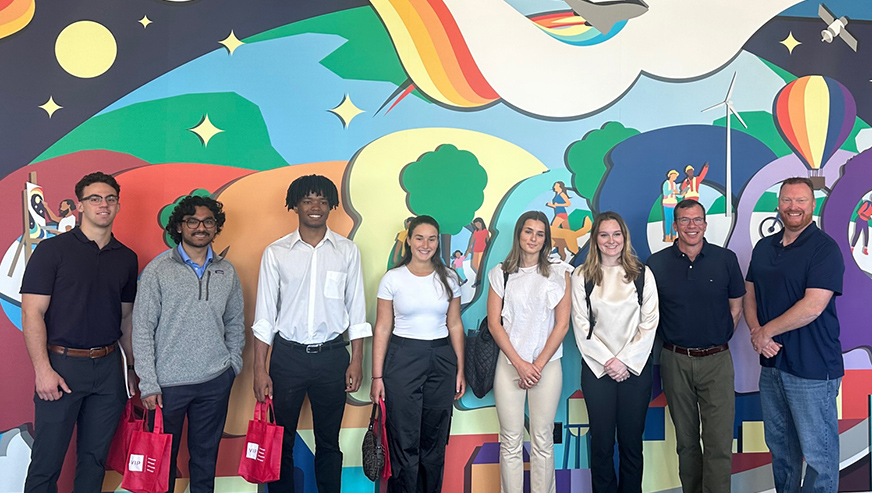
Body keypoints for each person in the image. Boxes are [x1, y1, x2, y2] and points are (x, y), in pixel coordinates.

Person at [252, 175, 371, 493]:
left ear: (332, 205)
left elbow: (357, 311)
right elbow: (264, 317)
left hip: (333, 359)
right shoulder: (276, 253)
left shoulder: (347, 251)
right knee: (282, 442)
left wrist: (356, 360)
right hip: (287, 358)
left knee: (329, 443)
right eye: (307, 200)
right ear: (295, 206)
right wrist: (260, 369)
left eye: (321, 200)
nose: (315, 207)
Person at [21, 172, 138, 493]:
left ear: (117, 205)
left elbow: (126, 319)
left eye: (110, 199)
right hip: (61, 367)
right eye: (95, 199)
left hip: (108, 371)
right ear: (80, 206)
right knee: (46, 462)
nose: (104, 204)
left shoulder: (127, 258)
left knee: (94, 460)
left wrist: (129, 368)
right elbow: (32, 313)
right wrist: (43, 370)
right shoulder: (52, 251)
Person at [132, 195, 244, 492]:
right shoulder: (158, 270)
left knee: (205, 461)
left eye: (208, 221)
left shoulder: (227, 271)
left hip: (214, 381)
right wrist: (149, 383)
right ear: (179, 227)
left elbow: (234, 323)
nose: (200, 227)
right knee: (162, 464)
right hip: (167, 386)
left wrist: (232, 366)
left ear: (216, 227)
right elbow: (142, 328)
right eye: (192, 221)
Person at [745, 177, 844, 493]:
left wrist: (764, 333)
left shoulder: (824, 249)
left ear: (812, 205)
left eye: (801, 200)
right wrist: (757, 333)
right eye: (787, 200)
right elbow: (749, 293)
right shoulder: (764, 246)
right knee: (781, 451)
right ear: (778, 205)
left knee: (818, 456)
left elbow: (813, 306)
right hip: (772, 367)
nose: (793, 207)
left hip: (812, 369)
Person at [647, 200, 745, 493]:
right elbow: (649, 314)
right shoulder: (656, 264)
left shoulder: (726, 259)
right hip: (674, 359)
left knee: (718, 443)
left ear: (705, 223)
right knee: (686, 443)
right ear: (674, 225)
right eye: (685, 220)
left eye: (698, 219)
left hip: (717, 361)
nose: (692, 225)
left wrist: (715, 338)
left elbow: (736, 308)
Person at [370, 215, 465, 493]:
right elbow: (383, 327)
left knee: (434, 442)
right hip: (403, 358)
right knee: (403, 437)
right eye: (419, 238)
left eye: (432, 238)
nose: (426, 244)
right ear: (409, 240)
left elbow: (455, 324)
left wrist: (460, 368)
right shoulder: (392, 279)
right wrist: (377, 376)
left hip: (441, 358)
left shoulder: (449, 278)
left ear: (438, 242)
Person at [571, 211, 658, 493]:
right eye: (604, 235)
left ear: (625, 237)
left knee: (632, 444)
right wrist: (608, 361)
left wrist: (625, 362)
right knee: (601, 444)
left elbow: (650, 323)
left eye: (616, 234)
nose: (611, 241)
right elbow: (581, 325)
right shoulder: (582, 275)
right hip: (598, 371)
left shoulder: (642, 274)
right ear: (595, 239)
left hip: (634, 370)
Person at [486, 211, 571, 493]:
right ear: (519, 234)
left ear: (546, 239)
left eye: (540, 233)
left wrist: (536, 365)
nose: (533, 238)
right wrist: (520, 364)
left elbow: (562, 324)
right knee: (509, 439)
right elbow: (494, 324)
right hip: (510, 365)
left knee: (542, 439)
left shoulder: (560, 273)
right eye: (528, 231)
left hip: (547, 367)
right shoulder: (501, 273)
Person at [465, 217, 490, 286]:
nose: (477, 225)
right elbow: (472, 241)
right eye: (476, 224)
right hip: (476, 249)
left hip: (482, 249)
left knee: (480, 265)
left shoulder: (485, 231)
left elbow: (488, 240)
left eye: (478, 224)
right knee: (474, 265)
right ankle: (481, 277)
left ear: (482, 223)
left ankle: (479, 279)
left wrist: (488, 248)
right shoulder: (475, 232)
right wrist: (469, 248)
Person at [661, 170, 680, 242]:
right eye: (674, 175)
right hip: (667, 203)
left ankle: (674, 236)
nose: (674, 177)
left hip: (674, 203)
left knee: (674, 220)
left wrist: (681, 194)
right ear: (670, 175)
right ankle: (667, 237)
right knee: (668, 220)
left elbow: (676, 193)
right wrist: (673, 191)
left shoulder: (674, 184)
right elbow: (666, 193)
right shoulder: (666, 183)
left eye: (675, 176)